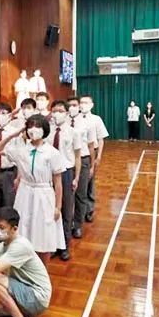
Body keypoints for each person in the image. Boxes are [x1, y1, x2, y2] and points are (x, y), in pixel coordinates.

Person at [0, 114, 66, 261]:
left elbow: (58, 182)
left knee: (44, 233)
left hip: (44, 194)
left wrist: (58, 207)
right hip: (24, 193)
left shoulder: (52, 153)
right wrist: (13, 134)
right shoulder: (21, 149)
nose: (33, 129)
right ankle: (24, 266)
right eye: (30, 126)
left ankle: (42, 270)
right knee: (23, 229)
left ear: (44, 129)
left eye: (37, 126)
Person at [47, 100, 81, 261]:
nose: (57, 114)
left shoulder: (73, 132)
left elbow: (77, 156)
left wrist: (76, 177)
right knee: (52, 210)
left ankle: (65, 246)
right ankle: (53, 244)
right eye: (54, 111)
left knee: (66, 210)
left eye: (60, 111)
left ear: (67, 113)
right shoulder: (47, 131)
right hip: (49, 173)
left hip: (66, 172)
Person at [68, 96, 96, 238]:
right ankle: (66, 224)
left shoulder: (87, 123)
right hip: (67, 162)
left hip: (83, 160)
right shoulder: (63, 122)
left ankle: (77, 225)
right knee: (67, 195)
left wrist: (92, 165)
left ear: (79, 106)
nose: (72, 107)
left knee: (81, 194)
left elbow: (91, 145)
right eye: (69, 105)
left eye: (74, 105)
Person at [79, 95, 109, 220]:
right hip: (78, 153)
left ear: (92, 105)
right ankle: (79, 210)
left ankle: (89, 210)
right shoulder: (75, 118)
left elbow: (101, 139)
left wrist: (99, 157)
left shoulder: (96, 119)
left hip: (92, 152)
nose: (83, 105)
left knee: (90, 181)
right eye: (81, 102)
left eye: (86, 102)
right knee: (79, 183)